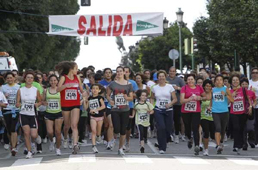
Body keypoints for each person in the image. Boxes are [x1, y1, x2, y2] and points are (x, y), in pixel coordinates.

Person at [56, 61, 85, 154]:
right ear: (71, 69)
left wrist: (85, 94)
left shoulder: (77, 78)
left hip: (75, 103)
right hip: (65, 104)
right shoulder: (63, 78)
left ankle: (75, 145)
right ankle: (65, 137)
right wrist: (65, 86)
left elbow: (81, 89)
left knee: (74, 125)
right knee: (67, 125)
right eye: (76, 68)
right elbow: (57, 89)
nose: (77, 70)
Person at [106, 66, 133, 155]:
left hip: (125, 109)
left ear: (124, 73)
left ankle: (120, 148)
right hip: (115, 109)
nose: (119, 73)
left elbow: (131, 98)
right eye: (117, 71)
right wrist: (110, 101)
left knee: (123, 130)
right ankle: (113, 139)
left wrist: (127, 97)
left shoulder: (129, 84)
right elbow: (107, 95)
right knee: (116, 128)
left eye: (121, 71)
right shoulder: (113, 84)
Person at [16, 71, 42, 159]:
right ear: (25, 79)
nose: (30, 79)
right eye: (28, 77)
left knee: (33, 134)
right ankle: (29, 151)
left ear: (33, 80)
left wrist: (37, 104)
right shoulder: (20, 90)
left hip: (32, 114)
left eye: (31, 78)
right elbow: (17, 102)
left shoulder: (35, 90)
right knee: (26, 133)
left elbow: (40, 101)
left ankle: (37, 139)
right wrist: (18, 104)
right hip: (23, 114)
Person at [151, 70, 177, 154]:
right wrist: (151, 107)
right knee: (161, 127)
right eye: (159, 76)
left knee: (168, 128)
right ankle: (162, 147)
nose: (161, 78)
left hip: (168, 110)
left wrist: (170, 104)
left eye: (162, 76)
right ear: (157, 78)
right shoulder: (155, 88)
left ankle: (164, 141)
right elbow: (152, 98)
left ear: (165, 77)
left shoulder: (169, 87)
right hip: (158, 109)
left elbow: (175, 99)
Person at [180, 74, 206, 155]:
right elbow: (181, 101)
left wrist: (200, 98)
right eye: (188, 79)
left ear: (194, 80)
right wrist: (189, 99)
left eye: (192, 79)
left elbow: (205, 97)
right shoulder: (184, 88)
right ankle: (189, 138)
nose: (190, 81)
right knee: (187, 127)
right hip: (185, 111)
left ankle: (197, 146)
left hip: (196, 111)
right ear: (186, 81)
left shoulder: (199, 88)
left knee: (195, 127)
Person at [210, 75, 233, 154]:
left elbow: (232, 100)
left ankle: (221, 141)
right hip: (215, 111)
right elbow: (211, 99)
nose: (219, 81)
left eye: (220, 80)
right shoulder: (213, 90)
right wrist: (210, 107)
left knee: (223, 130)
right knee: (218, 128)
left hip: (224, 111)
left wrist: (225, 94)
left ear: (223, 81)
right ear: (215, 81)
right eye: (217, 80)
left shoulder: (226, 89)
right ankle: (218, 145)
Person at [229, 74, 252, 154]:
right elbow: (228, 102)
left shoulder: (243, 89)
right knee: (236, 128)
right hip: (233, 112)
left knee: (241, 128)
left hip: (243, 112)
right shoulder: (229, 91)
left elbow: (248, 98)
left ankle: (241, 143)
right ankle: (236, 146)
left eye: (237, 80)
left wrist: (250, 106)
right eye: (233, 80)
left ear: (239, 81)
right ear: (231, 82)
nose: (235, 82)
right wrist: (232, 96)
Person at [43, 75, 63, 156]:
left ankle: (58, 148)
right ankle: (51, 141)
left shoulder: (60, 90)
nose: (53, 82)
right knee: (50, 132)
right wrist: (44, 103)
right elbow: (42, 100)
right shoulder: (46, 90)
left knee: (58, 132)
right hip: (48, 113)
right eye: (51, 80)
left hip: (58, 112)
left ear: (57, 81)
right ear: (49, 81)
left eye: (55, 80)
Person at [1, 72, 20, 156]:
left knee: (13, 129)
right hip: (6, 110)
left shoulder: (18, 87)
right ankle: (12, 144)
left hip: (16, 110)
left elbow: (21, 97)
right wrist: (4, 96)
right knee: (9, 130)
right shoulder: (3, 88)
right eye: (8, 78)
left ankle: (14, 147)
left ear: (14, 78)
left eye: (11, 78)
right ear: (6, 79)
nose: (9, 79)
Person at [167, 66, 186, 144]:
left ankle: (177, 135)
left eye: (173, 71)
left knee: (177, 120)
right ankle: (170, 135)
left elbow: (185, 89)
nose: (172, 72)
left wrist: (178, 88)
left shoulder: (179, 80)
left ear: (175, 72)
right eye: (170, 71)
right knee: (169, 120)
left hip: (177, 103)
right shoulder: (166, 80)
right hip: (168, 102)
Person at [86, 84, 106, 153]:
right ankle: (93, 146)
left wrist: (96, 110)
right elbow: (87, 108)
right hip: (93, 117)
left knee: (98, 132)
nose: (95, 90)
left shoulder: (100, 98)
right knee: (93, 131)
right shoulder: (89, 98)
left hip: (100, 117)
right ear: (91, 90)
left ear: (99, 90)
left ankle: (98, 136)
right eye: (93, 88)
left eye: (96, 89)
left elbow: (103, 106)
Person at [99, 68, 114, 150]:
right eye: (106, 73)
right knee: (106, 124)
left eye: (109, 72)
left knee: (109, 123)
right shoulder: (100, 83)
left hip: (110, 105)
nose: (108, 74)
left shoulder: (114, 83)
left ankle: (108, 139)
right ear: (104, 74)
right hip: (102, 104)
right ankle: (104, 137)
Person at [124, 66, 138, 152]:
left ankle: (127, 141)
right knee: (120, 125)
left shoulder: (133, 82)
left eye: (127, 71)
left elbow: (136, 94)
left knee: (128, 127)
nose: (125, 73)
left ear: (129, 73)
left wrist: (130, 95)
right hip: (120, 106)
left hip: (129, 106)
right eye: (124, 71)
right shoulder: (118, 82)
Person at [241, 78, 257, 150]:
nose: (244, 86)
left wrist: (253, 105)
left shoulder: (251, 92)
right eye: (243, 84)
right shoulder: (238, 92)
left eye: (246, 84)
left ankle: (251, 141)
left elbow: (255, 100)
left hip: (250, 111)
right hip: (241, 112)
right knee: (243, 128)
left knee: (251, 127)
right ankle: (244, 144)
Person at [200, 79, 214, 156]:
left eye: (209, 86)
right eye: (206, 86)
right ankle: (206, 149)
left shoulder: (214, 94)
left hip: (213, 117)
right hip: (204, 116)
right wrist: (201, 98)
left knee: (213, 134)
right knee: (206, 132)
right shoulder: (202, 94)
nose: (207, 87)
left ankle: (219, 144)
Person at [249, 67, 258, 145]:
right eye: (253, 73)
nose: (255, 74)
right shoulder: (249, 82)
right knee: (253, 123)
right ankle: (253, 139)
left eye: (256, 73)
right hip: (251, 106)